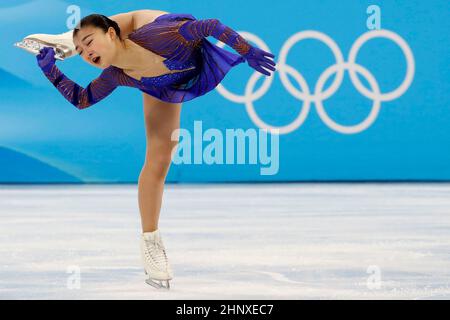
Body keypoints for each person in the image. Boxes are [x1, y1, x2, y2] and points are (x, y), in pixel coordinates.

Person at [35, 9, 276, 289]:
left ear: (111, 35)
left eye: (89, 43)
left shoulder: (164, 35)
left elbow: (210, 25)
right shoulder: (116, 75)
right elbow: (82, 99)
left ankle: (74, 34)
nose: (87, 54)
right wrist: (51, 71)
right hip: (162, 83)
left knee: (133, 21)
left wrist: (246, 50)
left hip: (154, 32)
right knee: (159, 161)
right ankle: (151, 243)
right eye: (81, 51)